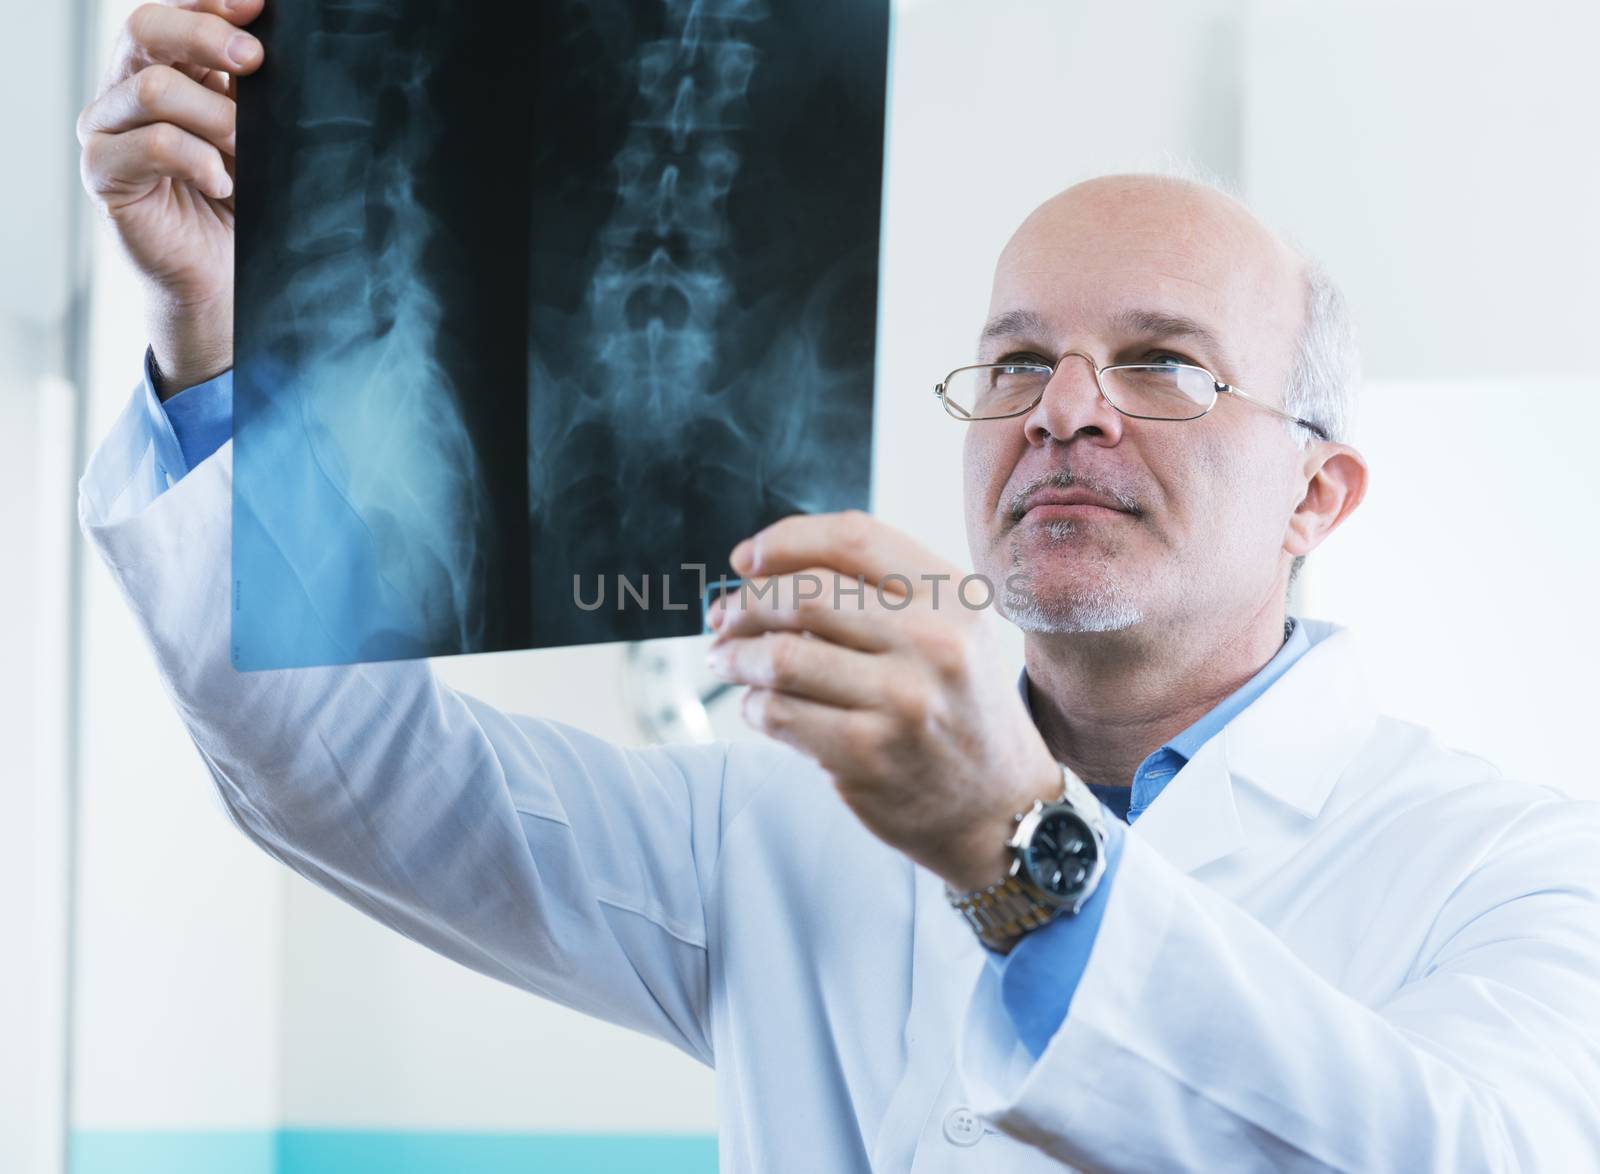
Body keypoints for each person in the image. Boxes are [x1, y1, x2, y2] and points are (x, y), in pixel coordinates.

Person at [77, 2, 1600, 1170]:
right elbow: (341, 779)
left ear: (1318, 492)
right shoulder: (780, 821)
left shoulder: (1511, 870)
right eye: (1016, 361)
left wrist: (1020, 848)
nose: (1064, 409)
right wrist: (217, 341)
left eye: (1163, 362)